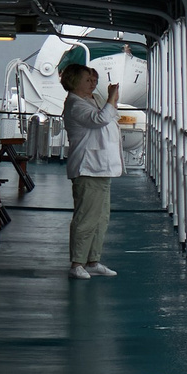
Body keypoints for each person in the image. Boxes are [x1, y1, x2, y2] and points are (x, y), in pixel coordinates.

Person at [60, 62, 123, 279]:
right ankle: (77, 263)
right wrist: (111, 99)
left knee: (101, 218)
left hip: (101, 168)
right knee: (86, 218)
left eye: (94, 79)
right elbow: (100, 120)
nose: (93, 83)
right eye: (88, 79)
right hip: (88, 168)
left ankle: (93, 260)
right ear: (73, 81)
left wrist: (110, 101)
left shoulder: (92, 100)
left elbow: (111, 116)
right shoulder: (75, 105)